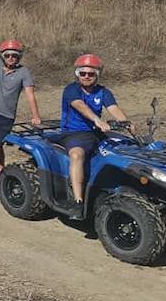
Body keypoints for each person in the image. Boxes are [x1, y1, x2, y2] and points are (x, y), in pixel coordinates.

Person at [59, 53, 129, 219]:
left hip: (96, 132)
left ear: (97, 75)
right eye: (82, 73)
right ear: (77, 74)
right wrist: (97, 120)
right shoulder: (71, 90)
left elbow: (114, 109)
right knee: (77, 154)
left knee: (125, 146)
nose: (86, 76)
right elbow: (80, 106)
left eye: (91, 74)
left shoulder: (103, 92)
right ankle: (77, 201)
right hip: (73, 132)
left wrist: (127, 123)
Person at [0, 21, 41, 178]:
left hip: (6, 117)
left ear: (19, 57)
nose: (11, 58)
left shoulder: (24, 72)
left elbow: (30, 94)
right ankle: (1, 169)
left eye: (15, 56)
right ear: (3, 56)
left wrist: (35, 115)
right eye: (8, 55)